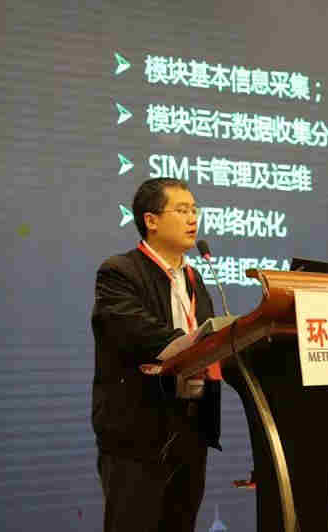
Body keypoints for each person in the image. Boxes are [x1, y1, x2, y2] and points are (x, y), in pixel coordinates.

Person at [92, 178, 221, 532]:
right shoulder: (119, 272)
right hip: (138, 435)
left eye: (194, 210)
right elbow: (136, 331)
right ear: (151, 220)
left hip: (191, 431)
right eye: (182, 210)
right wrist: (194, 345)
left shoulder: (194, 278)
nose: (193, 218)